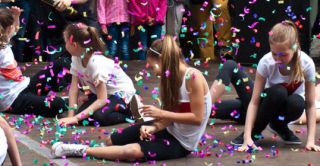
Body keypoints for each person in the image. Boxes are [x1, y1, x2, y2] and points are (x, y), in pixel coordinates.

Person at [51, 35, 212, 161]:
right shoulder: (167, 79)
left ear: (164, 60)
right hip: (168, 129)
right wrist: (153, 128)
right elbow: (168, 119)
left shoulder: (193, 78)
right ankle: (97, 148)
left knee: (131, 151)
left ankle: (76, 150)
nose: (154, 72)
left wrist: (161, 114)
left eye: (154, 66)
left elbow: (197, 118)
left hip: (182, 143)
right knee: (111, 141)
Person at [228, 20, 320, 152]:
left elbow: (310, 104)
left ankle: (279, 125)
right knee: (279, 91)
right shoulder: (266, 62)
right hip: (267, 104)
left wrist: (311, 140)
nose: (278, 58)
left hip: (289, 107)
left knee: (298, 102)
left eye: (283, 54)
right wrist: (247, 136)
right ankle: (255, 132)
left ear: (295, 48)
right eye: (274, 53)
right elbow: (254, 102)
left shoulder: (306, 63)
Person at [57, 22, 137, 126]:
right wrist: (71, 116)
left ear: (74, 44)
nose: (65, 45)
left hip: (120, 94)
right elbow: (73, 89)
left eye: (66, 42)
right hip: (104, 94)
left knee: (100, 116)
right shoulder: (76, 57)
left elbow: (102, 100)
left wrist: (75, 118)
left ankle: (130, 113)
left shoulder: (96, 63)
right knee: (84, 118)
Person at [0, 7, 70, 117]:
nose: (14, 28)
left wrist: (16, 16)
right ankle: (58, 101)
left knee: (62, 64)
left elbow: (16, 28)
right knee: (58, 104)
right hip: (14, 100)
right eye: (12, 25)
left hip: (25, 86)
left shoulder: (4, 39)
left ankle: (86, 92)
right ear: (7, 29)